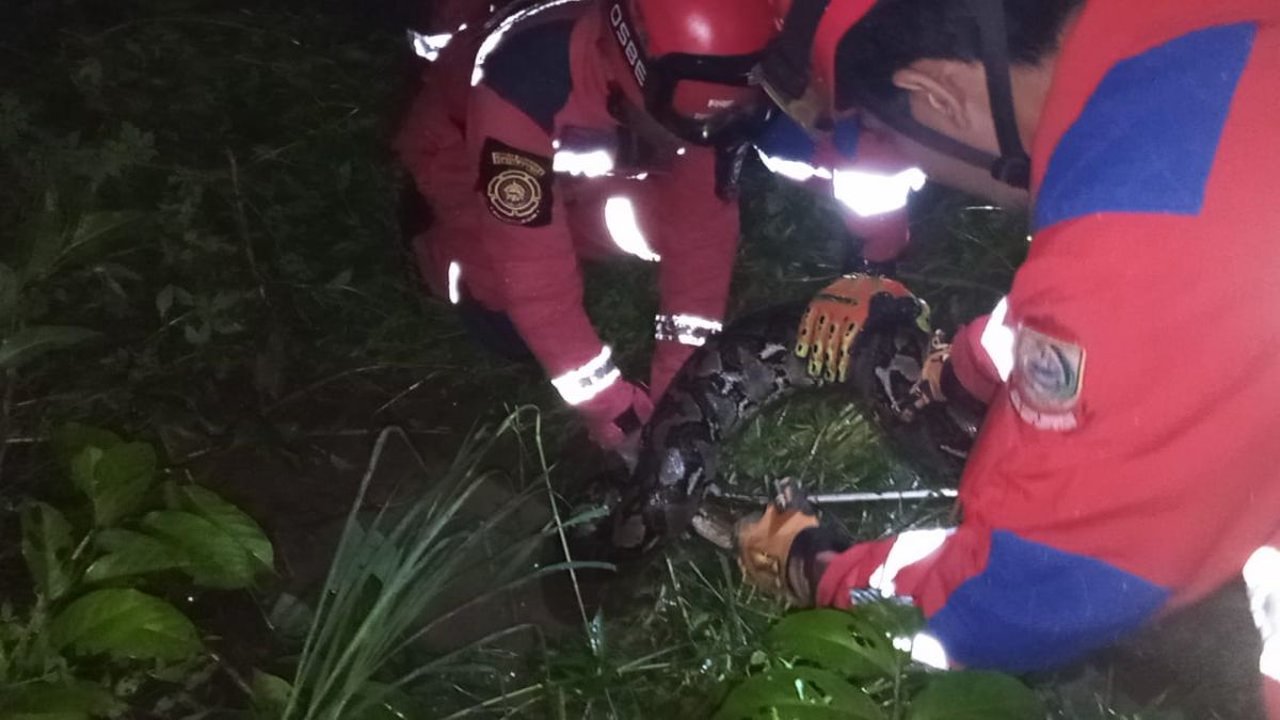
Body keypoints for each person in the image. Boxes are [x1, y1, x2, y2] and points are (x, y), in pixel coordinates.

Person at [734, 0, 1280, 716]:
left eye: (890, 135)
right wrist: (966, 372)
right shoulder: (1175, 59)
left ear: (938, 95)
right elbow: (1152, 300)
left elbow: (1035, 589)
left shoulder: (1135, 237)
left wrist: (822, 569)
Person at [395, 0, 777, 453]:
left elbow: (702, 246)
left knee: (674, 219)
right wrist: (612, 410)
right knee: (503, 311)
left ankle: (565, 231)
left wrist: (679, 393)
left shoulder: (700, 95)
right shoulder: (523, 87)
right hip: (464, 151)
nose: (691, 144)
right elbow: (535, 279)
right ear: (634, 75)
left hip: (582, 175)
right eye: (680, 129)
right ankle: (434, 234)